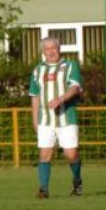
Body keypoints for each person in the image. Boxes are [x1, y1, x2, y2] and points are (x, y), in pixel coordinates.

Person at [29, 36, 83, 199]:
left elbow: (75, 88)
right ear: (43, 52)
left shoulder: (70, 65)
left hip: (67, 117)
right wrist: (34, 119)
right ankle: (43, 189)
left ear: (59, 49)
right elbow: (35, 96)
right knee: (44, 154)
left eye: (54, 48)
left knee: (71, 154)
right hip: (45, 120)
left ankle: (77, 180)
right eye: (47, 49)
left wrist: (60, 99)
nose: (51, 52)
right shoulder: (38, 70)